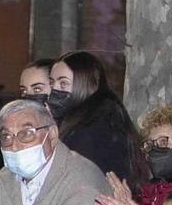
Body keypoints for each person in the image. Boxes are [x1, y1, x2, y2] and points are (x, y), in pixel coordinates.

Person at [49, 51, 146, 188]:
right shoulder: (104, 115)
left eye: (63, 83)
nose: (54, 90)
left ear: (84, 84)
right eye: (51, 83)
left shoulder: (93, 127)